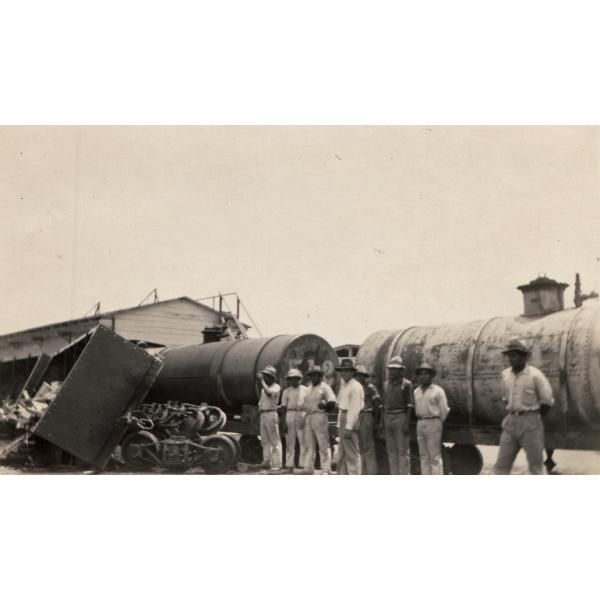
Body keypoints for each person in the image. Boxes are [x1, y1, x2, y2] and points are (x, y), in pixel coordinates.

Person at [494, 339, 555, 475]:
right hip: (511, 423)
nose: (510, 359)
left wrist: (533, 417)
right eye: (509, 356)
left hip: (531, 423)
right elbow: (505, 399)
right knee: (501, 466)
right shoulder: (505, 375)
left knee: (536, 467)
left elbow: (547, 401)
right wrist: (515, 413)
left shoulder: (535, 375)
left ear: (523, 357)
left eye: (514, 355)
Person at [413, 363, 449, 475]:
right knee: (423, 456)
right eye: (421, 374)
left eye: (426, 374)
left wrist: (437, 422)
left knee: (434, 456)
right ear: (418, 376)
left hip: (433, 422)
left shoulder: (438, 390)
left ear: (431, 376)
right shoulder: (416, 391)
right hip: (420, 422)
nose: (423, 376)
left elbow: (444, 410)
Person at [382, 356, 414, 475]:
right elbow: (383, 404)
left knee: (403, 451)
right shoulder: (386, 384)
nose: (392, 371)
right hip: (387, 417)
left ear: (401, 370)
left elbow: (410, 405)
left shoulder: (407, 384)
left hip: (400, 417)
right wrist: (382, 421)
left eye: (395, 369)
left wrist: (406, 423)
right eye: (390, 369)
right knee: (391, 451)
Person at [303, 365, 336, 475]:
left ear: (320, 376)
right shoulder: (309, 387)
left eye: (315, 375)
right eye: (311, 375)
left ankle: (326, 469)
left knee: (323, 444)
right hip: (308, 416)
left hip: (319, 416)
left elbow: (332, 401)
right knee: (309, 444)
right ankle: (308, 468)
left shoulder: (325, 387)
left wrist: (325, 406)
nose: (313, 377)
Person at [335, 359, 364, 475]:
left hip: (349, 418)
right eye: (342, 371)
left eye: (346, 371)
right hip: (343, 416)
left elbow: (354, 408)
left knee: (352, 452)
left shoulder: (355, 386)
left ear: (352, 372)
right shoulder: (345, 386)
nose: (343, 374)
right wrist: (339, 423)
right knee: (342, 451)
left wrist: (349, 426)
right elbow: (341, 407)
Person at [354, 365, 381, 475]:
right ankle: (362, 472)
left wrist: (376, 421)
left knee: (368, 446)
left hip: (366, 415)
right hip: (356, 416)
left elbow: (378, 404)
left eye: (361, 376)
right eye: (357, 376)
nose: (359, 378)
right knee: (358, 446)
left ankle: (371, 472)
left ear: (364, 377)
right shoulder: (354, 388)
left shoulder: (370, 387)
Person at [280, 368, 308, 472]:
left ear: (299, 379)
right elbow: (283, 407)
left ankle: (303, 465)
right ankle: (289, 465)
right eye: (291, 379)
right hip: (290, 414)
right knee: (289, 442)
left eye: (296, 378)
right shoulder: (286, 391)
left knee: (303, 441)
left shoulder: (306, 390)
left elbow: (309, 405)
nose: (293, 381)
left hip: (302, 413)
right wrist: (283, 421)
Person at [257, 365, 283, 473]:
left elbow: (269, 393)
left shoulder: (276, 387)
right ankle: (267, 461)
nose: (265, 378)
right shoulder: (265, 388)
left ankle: (277, 464)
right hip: (264, 414)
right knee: (264, 440)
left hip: (271, 414)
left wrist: (261, 380)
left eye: (266, 376)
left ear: (272, 377)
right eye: (264, 376)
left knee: (274, 441)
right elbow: (261, 401)